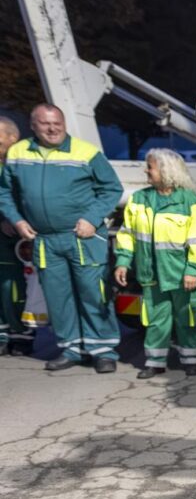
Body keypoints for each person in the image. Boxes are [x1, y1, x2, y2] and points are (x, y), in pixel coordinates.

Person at [0, 104, 123, 372]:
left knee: (93, 294)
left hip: (83, 238)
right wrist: (17, 219)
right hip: (45, 241)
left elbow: (111, 188)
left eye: (57, 123)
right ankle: (71, 348)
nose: (53, 128)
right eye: (45, 124)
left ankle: (102, 350)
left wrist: (92, 219)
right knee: (58, 297)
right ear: (33, 126)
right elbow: (5, 192)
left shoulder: (86, 152)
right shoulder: (18, 154)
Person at [113, 149, 196, 378]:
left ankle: (191, 360)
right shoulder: (139, 199)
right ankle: (155, 362)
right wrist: (122, 262)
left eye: (151, 167)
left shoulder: (189, 201)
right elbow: (127, 234)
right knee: (156, 320)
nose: (146, 171)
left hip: (182, 276)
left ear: (167, 171)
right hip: (152, 274)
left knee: (188, 318)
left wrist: (193, 271)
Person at [0, 116, 33, 356]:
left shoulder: (23, 164)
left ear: (13, 138)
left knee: (15, 290)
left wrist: (11, 221)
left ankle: (21, 335)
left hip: (15, 242)